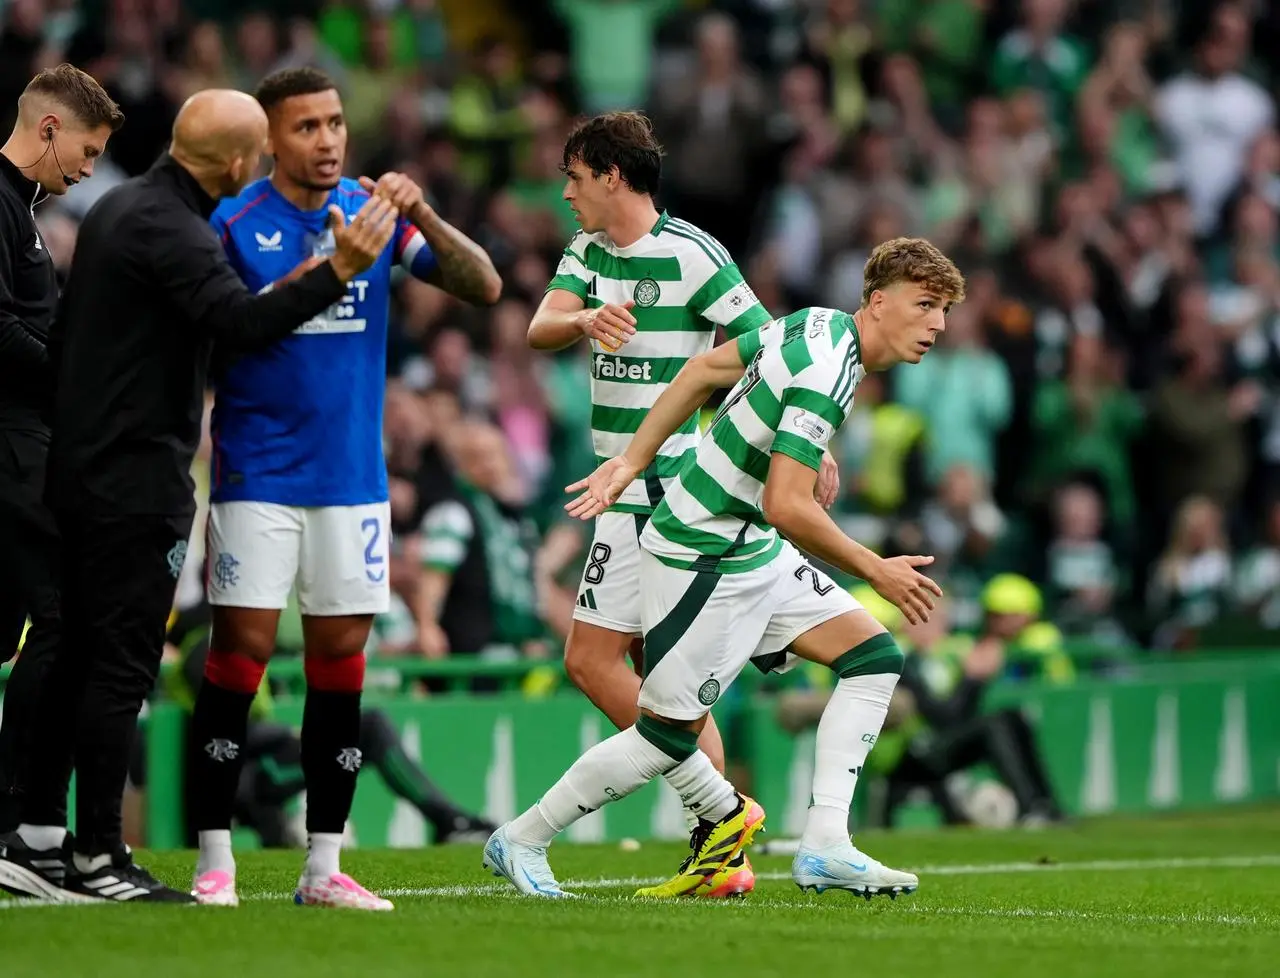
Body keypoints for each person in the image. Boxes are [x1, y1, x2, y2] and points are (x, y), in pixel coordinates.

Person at [0, 89, 399, 904]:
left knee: (77, 651)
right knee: (119, 666)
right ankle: (98, 856)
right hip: (132, 479)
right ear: (241, 162)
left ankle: (37, 835)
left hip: (87, 466)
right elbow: (241, 325)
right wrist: (341, 271)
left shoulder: (118, 209)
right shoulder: (174, 229)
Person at [485, 237, 963, 899]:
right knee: (663, 738)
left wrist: (633, 459)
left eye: (943, 309)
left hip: (750, 545)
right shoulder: (828, 371)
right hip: (703, 552)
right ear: (879, 303)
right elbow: (788, 503)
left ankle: (825, 844)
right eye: (925, 305)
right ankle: (524, 837)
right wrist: (874, 569)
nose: (938, 323)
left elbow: (703, 371)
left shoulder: (815, 323)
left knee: (873, 657)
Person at [186, 67, 501, 911]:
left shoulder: (372, 211)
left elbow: (485, 286)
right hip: (259, 469)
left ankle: (324, 867)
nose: (326, 141)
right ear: (270, 141)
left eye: (334, 124)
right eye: (306, 128)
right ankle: (213, 858)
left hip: (353, 480)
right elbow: (221, 331)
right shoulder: (233, 223)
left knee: (340, 667)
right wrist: (335, 265)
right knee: (239, 655)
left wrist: (422, 213)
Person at [526, 109, 837, 897]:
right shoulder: (587, 253)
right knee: (648, 675)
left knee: (604, 665)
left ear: (610, 175)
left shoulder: (696, 257)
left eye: (573, 176)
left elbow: (771, 353)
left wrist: (812, 440)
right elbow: (538, 328)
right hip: (616, 484)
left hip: (662, 488)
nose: (565, 194)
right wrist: (584, 317)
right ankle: (724, 842)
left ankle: (721, 818)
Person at [0, 65, 123, 833]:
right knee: (63, 616)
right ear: (49, 128)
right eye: (87, 148)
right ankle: (17, 817)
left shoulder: (20, 209)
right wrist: (75, 379)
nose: (88, 168)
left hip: (23, 438)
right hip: (13, 445)